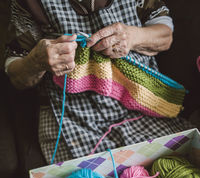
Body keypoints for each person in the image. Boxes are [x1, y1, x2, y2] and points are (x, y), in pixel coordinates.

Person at [5, 0, 193, 164]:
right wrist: (36, 62)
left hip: (142, 103)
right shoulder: (29, 3)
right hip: (74, 115)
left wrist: (133, 36)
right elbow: (17, 76)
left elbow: (165, 36)